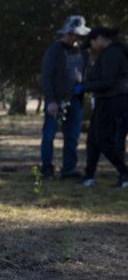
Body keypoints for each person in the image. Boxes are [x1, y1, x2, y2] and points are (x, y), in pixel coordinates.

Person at [39, 15, 91, 180]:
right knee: (49, 134)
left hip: (75, 99)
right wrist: (51, 100)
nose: (74, 38)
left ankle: (69, 169)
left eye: (77, 35)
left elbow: (85, 74)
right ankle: (46, 168)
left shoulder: (83, 52)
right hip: (56, 99)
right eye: (71, 34)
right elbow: (46, 77)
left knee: (72, 135)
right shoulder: (54, 51)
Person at [81, 27, 128, 188]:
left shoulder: (112, 54)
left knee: (102, 139)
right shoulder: (111, 53)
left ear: (100, 38)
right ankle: (89, 175)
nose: (92, 46)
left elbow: (107, 82)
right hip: (106, 100)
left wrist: (85, 86)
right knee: (93, 139)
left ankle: (124, 171)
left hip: (112, 101)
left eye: (92, 42)